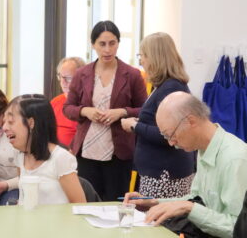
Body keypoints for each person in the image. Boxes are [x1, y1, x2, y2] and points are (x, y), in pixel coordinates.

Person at [123, 92, 247, 238]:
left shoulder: (234, 159)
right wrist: (153, 202)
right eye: (166, 137)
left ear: (191, 121)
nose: (170, 143)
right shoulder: (204, 149)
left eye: (171, 134)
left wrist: (189, 208)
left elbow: (237, 228)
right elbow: (196, 198)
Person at [63, 20, 147, 201]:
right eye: (102, 44)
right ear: (93, 45)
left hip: (119, 153)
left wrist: (122, 112)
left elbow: (145, 110)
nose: (107, 49)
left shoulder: (132, 75)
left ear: (118, 43)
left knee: (115, 204)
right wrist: (85, 111)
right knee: (87, 202)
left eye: (112, 43)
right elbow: (68, 108)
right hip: (86, 152)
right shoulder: (82, 74)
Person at [121, 32, 195, 198]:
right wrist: (141, 121)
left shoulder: (171, 88)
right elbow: (159, 122)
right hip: (160, 171)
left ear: (155, 57)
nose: (141, 61)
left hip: (164, 175)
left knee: (159, 221)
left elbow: (170, 135)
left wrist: (135, 126)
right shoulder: (165, 86)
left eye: (143, 55)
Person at [3, 94, 86, 205]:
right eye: (4, 122)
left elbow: (80, 205)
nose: (4, 128)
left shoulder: (61, 158)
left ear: (31, 123)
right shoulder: (19, 155)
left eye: (11, 122)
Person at [50, 57, 85, 147]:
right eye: (61, 77)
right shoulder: (55, 102)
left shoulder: (87, 105)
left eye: (68, 78)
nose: (63, 82)